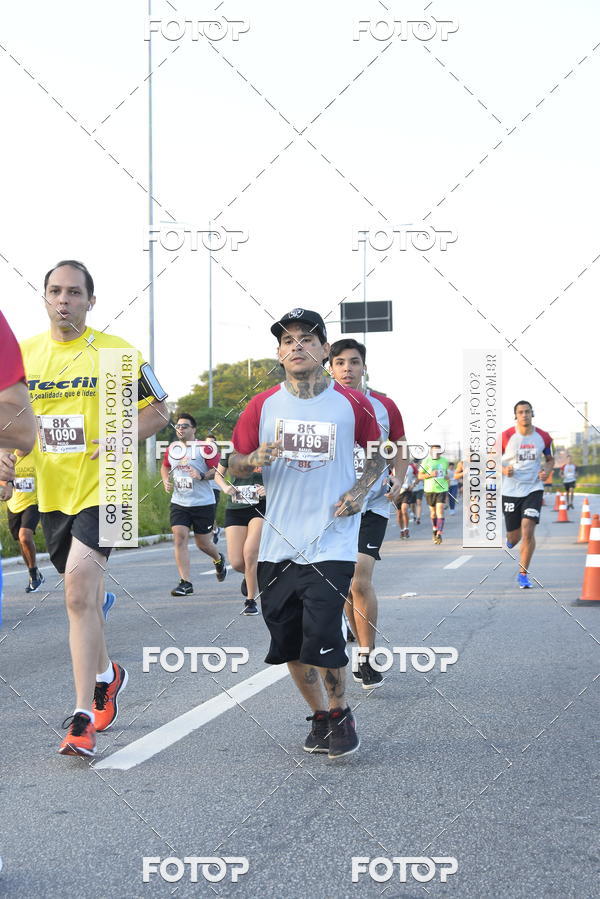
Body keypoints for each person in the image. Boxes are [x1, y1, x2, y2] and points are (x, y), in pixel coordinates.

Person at [20, 260, 168, 757]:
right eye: (56, 291)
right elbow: (9, 424)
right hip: (51, 493)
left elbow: (159, 411)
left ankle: (81, 716)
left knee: (80, 588)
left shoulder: (115, 353)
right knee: (80, 600)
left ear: (90, 301)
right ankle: (109, 673)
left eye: (75, 293)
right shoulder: (23, 357)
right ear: (44, 298)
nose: (64, 300)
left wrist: (119, 437)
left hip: (110, 486)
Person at [229, 309, 390, 759]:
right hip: (279, 543)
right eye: (287, 340)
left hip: (332, 540)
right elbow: (234, 466)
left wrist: (360, 492)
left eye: (306, 338)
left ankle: (340, 711)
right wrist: (254, 456)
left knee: (322, 632)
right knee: (290, 643)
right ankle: (321, 715)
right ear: (279, 354)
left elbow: (377, 457)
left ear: (323, 349)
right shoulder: (262, 406)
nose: (296, 345)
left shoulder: (351, 403)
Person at [328, 338, 407, 689]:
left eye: (354, 362)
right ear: (330, 367)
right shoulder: (321, 407)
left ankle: (366, 654)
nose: (347, 368)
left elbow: (400, 447)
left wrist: (401, 477)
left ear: (364, 366)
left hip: (372, 504)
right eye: (340, 362)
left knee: (360, 577)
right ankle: (357, 638)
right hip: (334, 508)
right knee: (344, 584)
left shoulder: (385, 405)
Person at [161, 414, 227, 595]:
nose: (180, 429)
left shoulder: (205, 448)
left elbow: (217, 472)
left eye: (185, 426)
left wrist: (201, 476)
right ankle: (185, 583)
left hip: (203, 503)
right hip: (179, 501)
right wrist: (166, 480)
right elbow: (165, 466)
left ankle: (218, 559)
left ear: (193, 429)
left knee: (203, 544)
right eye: (178, 426)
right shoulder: (172, 448)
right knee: (179, 537)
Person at [502, 401, 554, 589]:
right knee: (514, 537)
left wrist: (546, 471)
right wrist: (503, 469)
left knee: (528, 528)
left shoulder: (544, 437)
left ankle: (523, 574)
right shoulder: (506, 437)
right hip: (510, 490)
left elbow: (550, 460)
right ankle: (510, 539)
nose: (524, 415)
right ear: (515, 415)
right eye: (520, 412)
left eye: (527, 412)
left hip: (533, 488)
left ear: (533, 414)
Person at [215, 452, 266, 616]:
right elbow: (218, 475)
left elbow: (283, 477)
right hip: (235, 508)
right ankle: (250, 576)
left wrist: (269, 489)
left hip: (260, 507)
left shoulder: (266, 452)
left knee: (250, 553)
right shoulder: (231, 453)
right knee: (237, 562)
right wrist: (225, 487)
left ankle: (250, 601)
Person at [2, 448, 44, 592]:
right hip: (13, 505)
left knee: (24, 536)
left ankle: (34, 574)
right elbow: (3, 479)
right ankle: (34, 573)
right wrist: (6, 486)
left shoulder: (37, 455)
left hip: (33, 503)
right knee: (21, 541)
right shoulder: (9, 457)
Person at [419, 444, 450, 543]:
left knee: (440, 510)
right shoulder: (426, 461)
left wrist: (447, 478)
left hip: (441, 489)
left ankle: (439, 533)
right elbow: (420, 476)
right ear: (431, 452)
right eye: (434, 451)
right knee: (433, 513)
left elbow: (447, 474)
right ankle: (434, 529)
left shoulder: (445, 461)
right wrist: (430, 475)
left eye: (438, 451)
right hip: (429, 489)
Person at [206, 433, 222, 543]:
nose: (210, 444)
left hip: (215, 488)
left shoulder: (219, 457)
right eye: (208, 442)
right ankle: (216, 530)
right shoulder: (199, 456)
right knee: (206, 513)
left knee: (211, 512)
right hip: (203, 488)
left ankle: (212, 532)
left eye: (212, 442)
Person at [396, 459, 418, 538]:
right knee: (399, 514)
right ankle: (401, 530)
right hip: (397, 492)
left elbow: (418, 477)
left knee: (404, 509)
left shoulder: (411, 467)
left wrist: (413, 484)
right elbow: (390, 476)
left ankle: (406, 529)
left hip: (407, 491)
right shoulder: (395, 466)